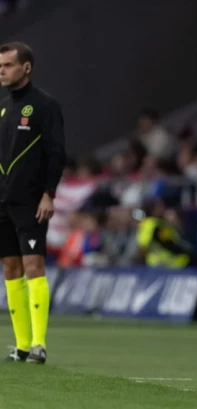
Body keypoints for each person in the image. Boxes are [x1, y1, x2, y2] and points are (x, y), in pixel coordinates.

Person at [0, 42, 67, 364]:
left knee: (33, 266)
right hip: (3, 200)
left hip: (31, 201)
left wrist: (48, 193)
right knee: (10, 268)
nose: (1, 71)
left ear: (26, 67)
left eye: (8, 65)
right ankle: (22, 345)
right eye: (0, 66)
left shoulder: (45, 105)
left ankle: (39, 344)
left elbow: (56, 152)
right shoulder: (3, 108)